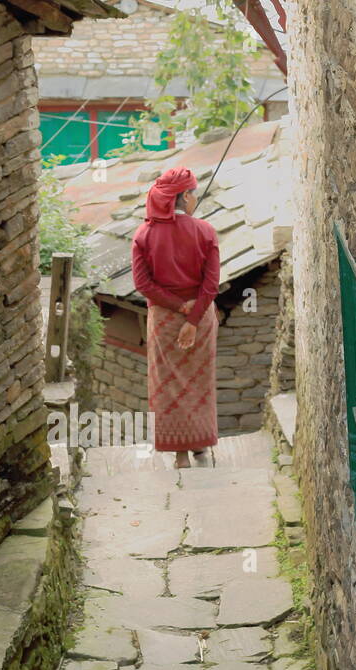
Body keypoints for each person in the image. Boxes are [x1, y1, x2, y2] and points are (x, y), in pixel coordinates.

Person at [131, 166, 221, 469]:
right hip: (200, 321)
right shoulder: (206, 232)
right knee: (200, 385)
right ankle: (201, 449)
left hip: (164, 321)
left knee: (168, 385)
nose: (195, 198)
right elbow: (211, 285)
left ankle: (180, 455)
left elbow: (143, 285)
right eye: (193, 193)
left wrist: (177, 307)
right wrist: (193, 318)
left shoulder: (144, 235)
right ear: (184, 197)